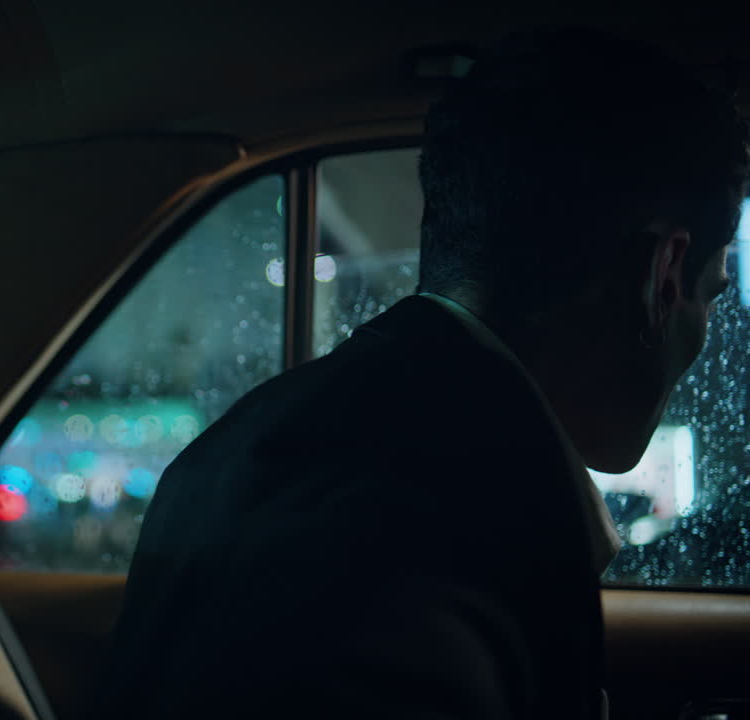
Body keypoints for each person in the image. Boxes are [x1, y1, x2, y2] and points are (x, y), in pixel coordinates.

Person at [101, 28, 749, 719]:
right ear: (663, 276)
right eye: (710, 293)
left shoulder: (239, 447)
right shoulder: (466, 541)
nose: (704, 335)